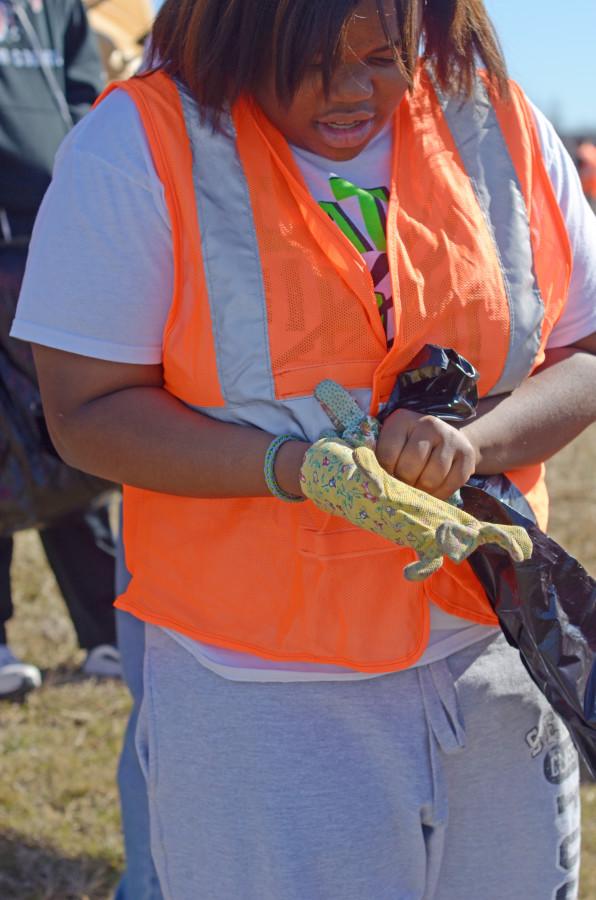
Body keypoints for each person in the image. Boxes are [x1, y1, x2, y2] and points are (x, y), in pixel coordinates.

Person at [12, 0, 596, 896]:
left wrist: (470, 445)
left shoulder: (497, 122)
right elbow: (85, 411)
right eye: (315, 60)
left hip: (492, 656)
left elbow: (585, 351)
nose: (354, 90)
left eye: (386, 55)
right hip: (261, 698)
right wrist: (291, 470)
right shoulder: (137, 149)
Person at [0, 0, 120, 698]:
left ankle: (104, 630)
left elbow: (83, 103)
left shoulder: (60, 10)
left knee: (71, 437)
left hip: (50, 247)